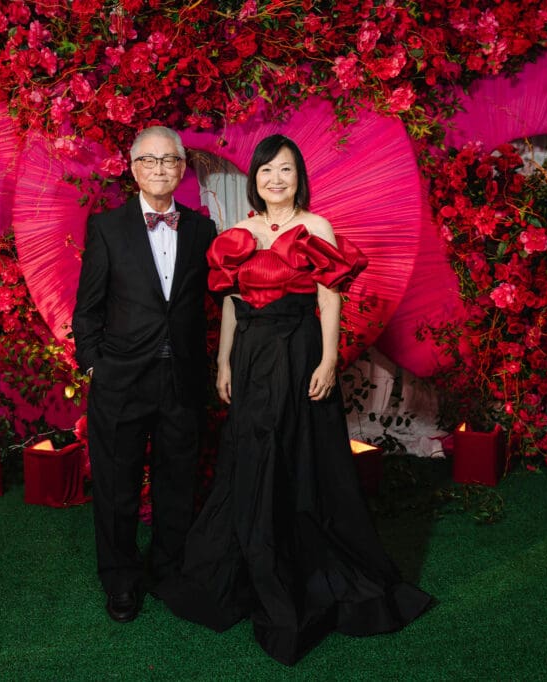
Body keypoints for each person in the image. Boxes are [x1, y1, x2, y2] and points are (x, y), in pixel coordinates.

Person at [158, 134, 432, 665]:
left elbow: (330, 299)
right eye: (266, 171)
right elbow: (234, 304)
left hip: (302, 348)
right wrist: (222, 362)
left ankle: (306, 559)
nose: (275, 180)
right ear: (254, 179)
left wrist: (329, 360)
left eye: (285, 170)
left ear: (297, 177)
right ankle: (253, 555)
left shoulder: (317, 227)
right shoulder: (239, 233)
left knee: (304, 451)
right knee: (253, 448)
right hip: (254, 354)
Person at [72, 126, 218, 623]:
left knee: (178, 482)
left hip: (182, 379)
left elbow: (215, 304)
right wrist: (95, 364)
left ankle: (167, 570)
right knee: (117, 486)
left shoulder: (202, 231)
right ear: (133, 169)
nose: (160, 168)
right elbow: (87, 309)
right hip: (121, 380)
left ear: (182, 168)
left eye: (169, 160)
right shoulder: (107, 228)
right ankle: (120, 579)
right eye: (149, 160)